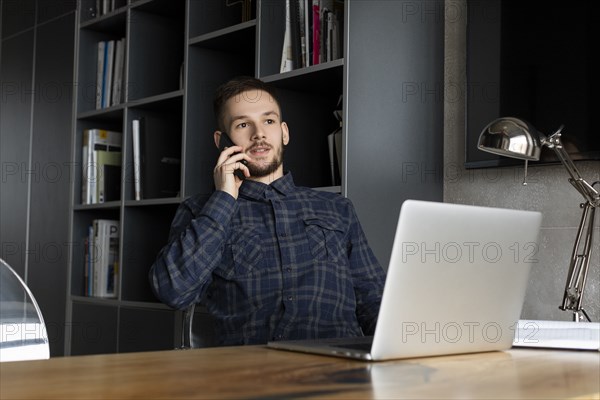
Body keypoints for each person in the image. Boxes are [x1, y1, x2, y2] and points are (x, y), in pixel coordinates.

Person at [149, 76, 385, 346]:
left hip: (339, 372)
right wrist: (224, 198)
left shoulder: (337, 208)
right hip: (250, 375)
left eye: (268, 121)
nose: (258, 133)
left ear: (284, 132)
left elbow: (373, 299)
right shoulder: (200, 211)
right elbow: (173, 291)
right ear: (222, 141)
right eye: (242, 124)